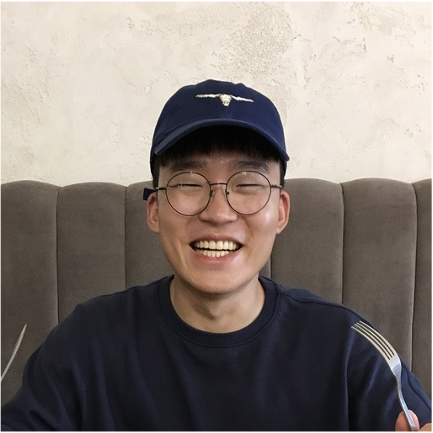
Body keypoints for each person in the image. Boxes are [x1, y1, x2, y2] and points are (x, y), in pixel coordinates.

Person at [0, 79, 431, 432]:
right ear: (154, 210)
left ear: (280, 211)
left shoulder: (350, 349)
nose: (219, 212)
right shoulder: (85, 342)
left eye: (248, 184)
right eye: (189, 183)